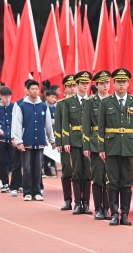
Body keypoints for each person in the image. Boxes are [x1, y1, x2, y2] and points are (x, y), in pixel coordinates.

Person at [98, 68, 133, 226]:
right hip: (111, 146)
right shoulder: (105, 102)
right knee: (112, 182)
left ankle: (125, 214)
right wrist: (101, 147)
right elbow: (101, 127)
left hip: (129, 146)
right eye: (118, 82)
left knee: (126, 182)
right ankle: (114, 214)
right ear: (114, 83)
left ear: (128, 83)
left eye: (124, 82)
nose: (121, 84)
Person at [12, 80, 55, 201]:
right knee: (26, 167)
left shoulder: (43, 106)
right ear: (27, 90)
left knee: (37, 167)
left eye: (37, 89)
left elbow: (48, 125)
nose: (35, 91)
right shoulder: (22, 106)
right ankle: (27, 192)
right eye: (32, 89)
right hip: (27, 141)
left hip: (40, 141)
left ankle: (37, 191)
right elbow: (17, 124)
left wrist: (52, 140)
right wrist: (18, 141)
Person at [62, 71, 93, 214]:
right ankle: (77, 203)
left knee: (87, 173)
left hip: (89, 141)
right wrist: (66, 141)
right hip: (74, 140)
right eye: (82, 83)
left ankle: (86, 203)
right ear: (78, 84)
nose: (85, 85)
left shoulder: (93, 101)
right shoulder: (69, 102)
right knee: (76, 172)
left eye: (87, 83)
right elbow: (65, 122)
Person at [83, 70, 112, 220]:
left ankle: (107, 208)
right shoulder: (90, 101)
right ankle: (98, 208)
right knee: (98, 176)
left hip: (111, 143)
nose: (106, 85)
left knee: (110, 177)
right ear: (97, 85)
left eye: (107, 82)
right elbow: (86, 124)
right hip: (94, 143)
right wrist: (86, 145)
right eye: (102, 83)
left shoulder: (113, 100)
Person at [55, 75, 78, 210]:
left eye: (74, 85)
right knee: (67, 171)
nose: (72, 88)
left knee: (81, 172)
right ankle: (68, 200)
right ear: (66, 88)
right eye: (69, 86)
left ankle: (80, 201)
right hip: (66, 142)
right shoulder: (61, 104)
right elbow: (58, 125)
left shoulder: (85, 102)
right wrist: (60, 142)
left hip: (80, 141)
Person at [43, 89, 59, 177]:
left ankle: (48, 168)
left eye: (55, 97)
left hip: (53, 133)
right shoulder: (43, 106)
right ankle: (45, 169)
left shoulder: (54, 107)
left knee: (51, 152)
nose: (54, 99)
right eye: (52, 97)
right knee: (44, 153)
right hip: (44, 132)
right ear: (47, 97)